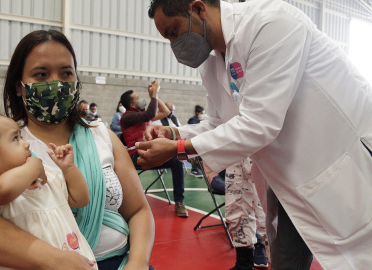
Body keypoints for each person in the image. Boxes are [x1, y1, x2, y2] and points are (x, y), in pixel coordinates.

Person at [140, 0, 372, 269]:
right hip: (286, 181)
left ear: (199, 9)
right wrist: (173, 132)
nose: (174, 45)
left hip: (338, 164)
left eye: (174, 32)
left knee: (361, 256)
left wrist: (178, 148)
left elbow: (259, 124)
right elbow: (218, 123)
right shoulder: (212, 62)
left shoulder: (271, 23)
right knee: (285, 261)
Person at [0, 29, 154, 270]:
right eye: (41, 74)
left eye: (66, 73)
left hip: (120, 262)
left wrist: (137, 262)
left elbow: (138, 211)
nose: (57, 83)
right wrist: (55, 260)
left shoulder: (102, 135)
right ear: (19, 86)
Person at [0, 113, 97, 270]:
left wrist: (69, 168)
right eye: (15, 139)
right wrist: (33, 166)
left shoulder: (45, 175)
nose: (26, 144)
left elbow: (81, 199)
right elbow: (5, 189)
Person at [120, 85, 188, 218]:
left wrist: (154, 96)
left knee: (177, 161)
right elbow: (150, 114)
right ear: (132, 104)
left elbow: (165, 112)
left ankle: (179, 202)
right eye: (137, 98)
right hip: (136, 157)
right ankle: (190, 156)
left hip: (151, 152)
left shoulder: (141, 116)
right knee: (177, 158)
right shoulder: (128, 117)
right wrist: (154, 94)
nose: (140, 99)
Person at [187, 105, 205, 177]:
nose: (202, 115)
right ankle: (194, 170)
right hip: (193, 141)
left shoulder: (201, 120)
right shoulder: (193, 120)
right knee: (195, 154)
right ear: (198, 113)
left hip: (200, 140)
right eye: (201, 113)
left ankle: (197, 169)